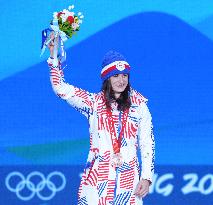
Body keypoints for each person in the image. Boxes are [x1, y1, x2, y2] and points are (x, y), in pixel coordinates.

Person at [47, 35, 155, 205]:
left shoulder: (140, 105)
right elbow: (60, 88)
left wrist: (147, 177)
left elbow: (147, 142)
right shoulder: (93, 103)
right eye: (115, 76)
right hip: (98, 179)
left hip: (128, 181)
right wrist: (54, 57)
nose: (121, 81)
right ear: (107, 79)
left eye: (124, 75)